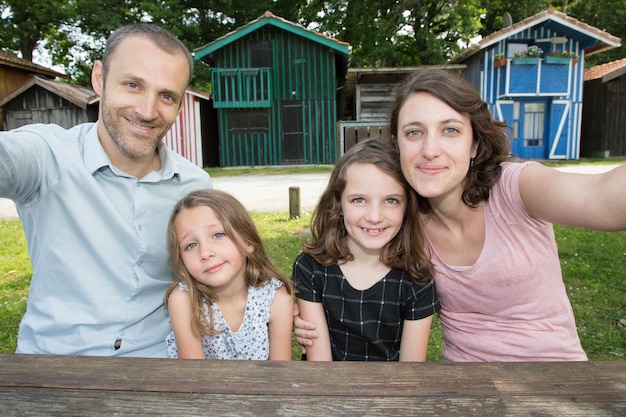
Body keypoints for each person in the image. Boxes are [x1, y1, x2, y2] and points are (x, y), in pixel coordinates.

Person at [295, 68, 626, 362]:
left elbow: (600, 197)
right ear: (398, 145)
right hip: (464, 385)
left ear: (475, 145)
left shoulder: (517, 188)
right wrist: (310, 320)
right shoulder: (401, 220)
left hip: (557, 376)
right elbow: (356, 280)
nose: (430, 149)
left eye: (450, 130)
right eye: (414, 132)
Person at [0, 24, 213, 357]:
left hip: (161, 367)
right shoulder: (46, 156)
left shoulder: (195, 185)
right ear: (99, 78)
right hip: (54, 366)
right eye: (132, 85)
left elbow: (215, 280)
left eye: (166, 95)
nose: (147, 111)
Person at [293, 139, 440, 361]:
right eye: (359, 200)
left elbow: (411, 371)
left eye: (391, 200)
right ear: (338, 204)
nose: (374, 217)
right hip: (327, 389)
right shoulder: (311, 268)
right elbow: (319, 367)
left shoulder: (417, 279)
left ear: (407, 207)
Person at [164, 189, 294, 360]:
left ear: (248, 241)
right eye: (191, 245)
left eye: (218, 235)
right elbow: (193, 377)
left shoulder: (275, 298)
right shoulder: (183, 300)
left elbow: (280, 373)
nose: (205, 253)